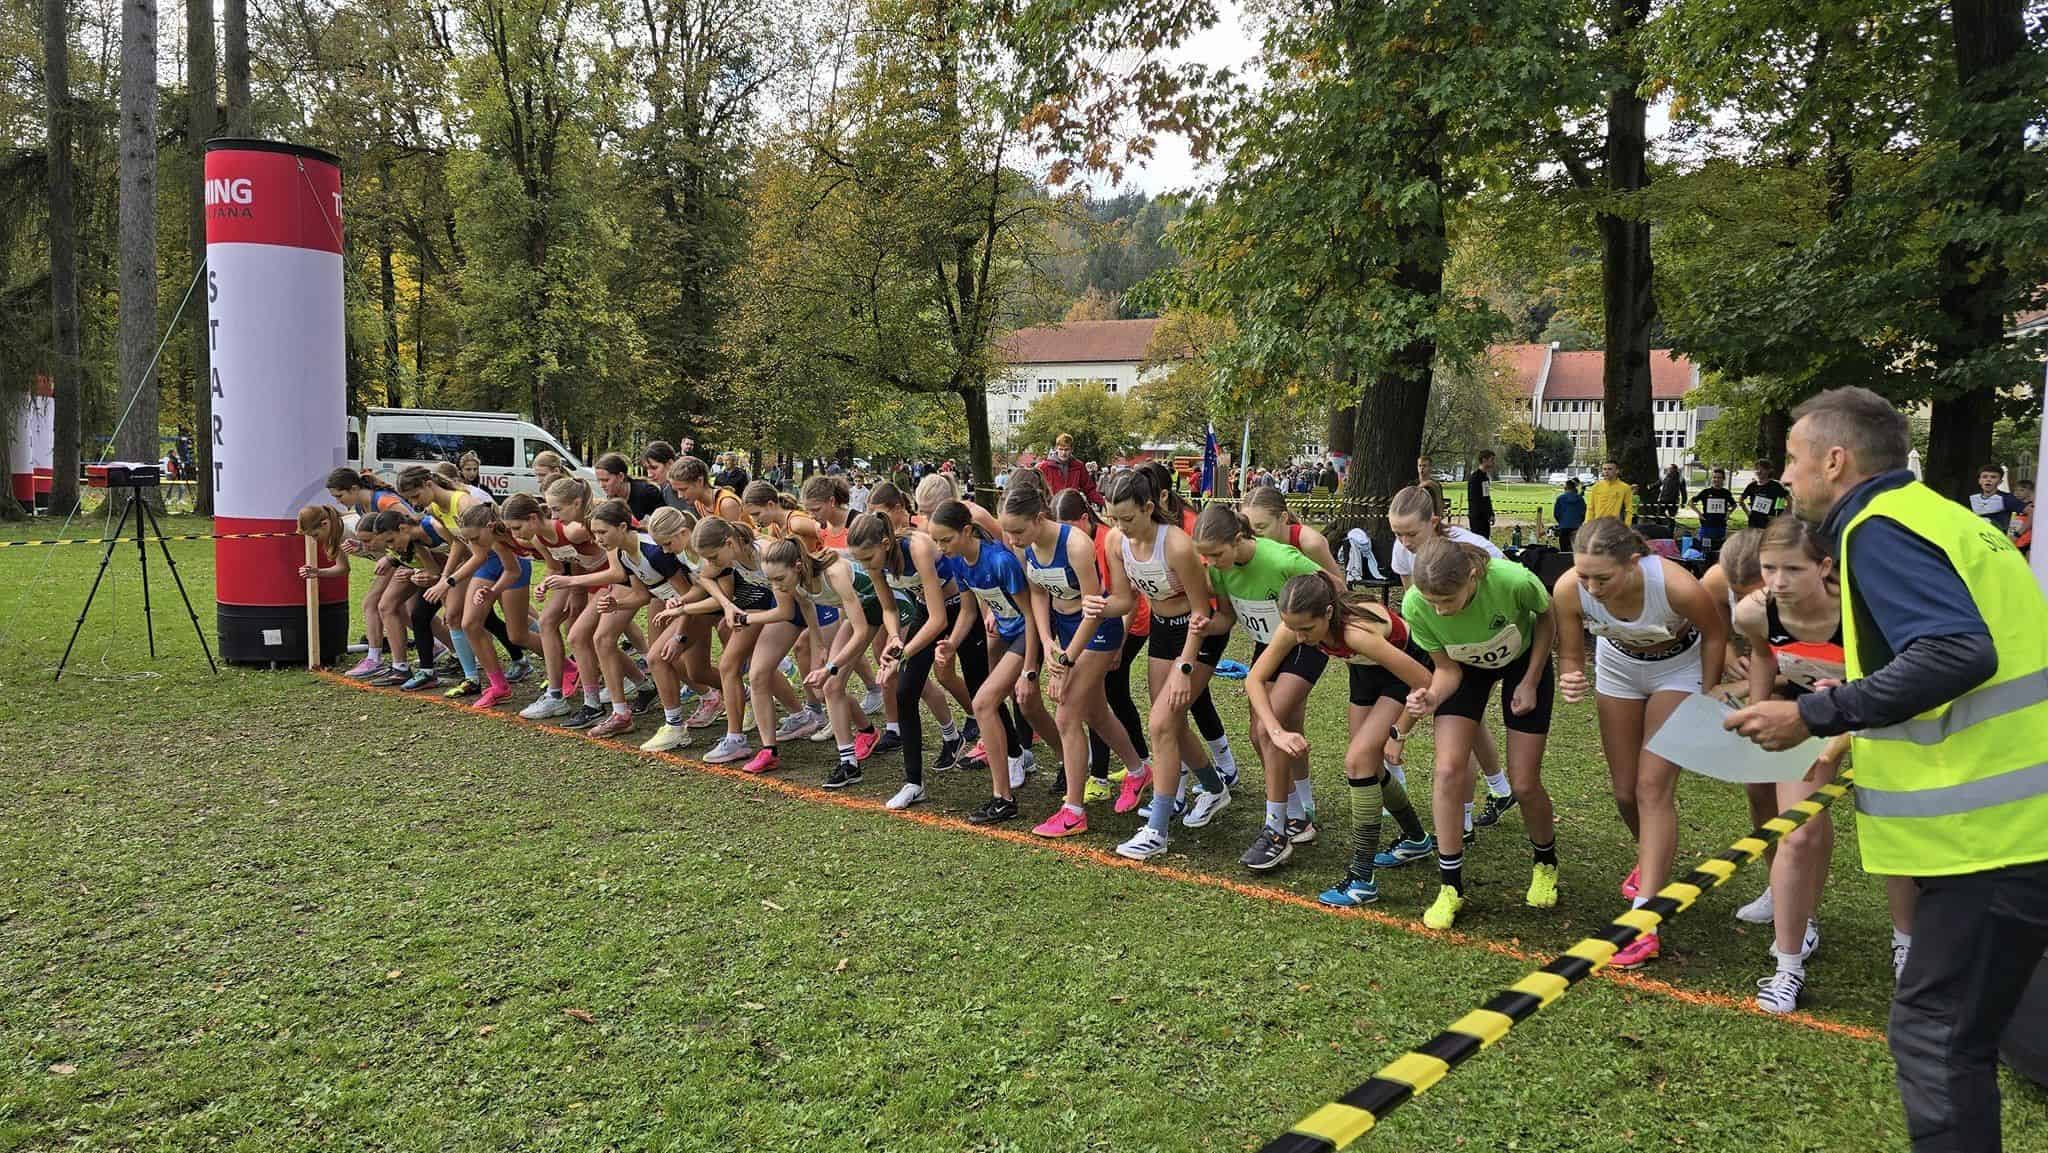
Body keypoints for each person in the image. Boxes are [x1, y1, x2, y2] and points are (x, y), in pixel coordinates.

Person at [1725, 385, 2048, 1153]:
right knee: (1973, 1026)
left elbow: (1957, 652)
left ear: (1835, 461)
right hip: (2014, 821)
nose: (1785, 475)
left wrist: (1817, 714)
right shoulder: (1942, 517)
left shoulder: (1878, 528)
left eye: (1794, 459)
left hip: (1992, 835)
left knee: (1936, 1035)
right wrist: (1853, 722)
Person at [1554, 517, 1725, 969]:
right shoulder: (1569, 589)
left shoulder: (1675, 586)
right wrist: (1571, 675)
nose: (1592, 588)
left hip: (1679, 671)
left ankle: (1644, 920)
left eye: (1603, 578)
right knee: (1625, 792)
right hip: (1619, 669)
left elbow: (1716, 634)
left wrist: (1708, 695)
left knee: (1652, 787)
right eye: (1584, 576)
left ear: (1634, 562)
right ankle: (1653, 864)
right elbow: (1570, 653)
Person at [1401, 535, 1561, 931]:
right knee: (1447, 771)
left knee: (1524, 783)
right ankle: (1450, 886)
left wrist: (1532, 679)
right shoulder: (1416, 604)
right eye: (1432, 602)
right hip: (1465, 670)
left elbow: (1547, 616)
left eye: (1447, 601)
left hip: (1523, 663)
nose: (1440, 610)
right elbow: (1447, 671)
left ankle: (1545, 862)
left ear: (1472, 577)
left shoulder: (1513, 580)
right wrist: (1431, 697)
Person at [1260, 574, 1435, 908]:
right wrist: (1276, 732)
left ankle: (1361, 879)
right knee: (1366, 766)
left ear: (1328, 613)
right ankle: (1416, 839)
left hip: (1405, 671)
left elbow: (1424, 681)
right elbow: (1255, 679)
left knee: (1357, 761)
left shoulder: (1357, 633)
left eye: (1306, 629)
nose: (1299, 637)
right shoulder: (1296, 626)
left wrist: (1399, 733)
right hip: (1365, 670)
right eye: (1292, 628)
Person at [1731, 516, 1847, 1012]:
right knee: (1798, 832)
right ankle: (1789, 963)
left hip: (1877, 714)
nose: (1777, 581)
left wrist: (1841, 738)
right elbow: (1762, 655)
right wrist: (1759, 711)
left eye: (1792, 569)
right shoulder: (1754, 611)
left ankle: (1905, 943)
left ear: (1824, 566)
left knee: (1893, 833)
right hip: (1807, 713)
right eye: (1769, 569)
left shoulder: (1860, 608)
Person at [1191, 505, 1334, 871]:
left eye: (1216, 554)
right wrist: (1205, 625)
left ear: (1238, 539)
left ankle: (1276, 831)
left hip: (1304, 645)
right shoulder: (1220, 570)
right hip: (1267, 648)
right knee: (1265, 734)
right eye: (1205, 557)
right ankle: (1299, 814)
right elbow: (1227, 617)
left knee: (1268, 731)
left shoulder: (1282, 559)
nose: (1210, 563)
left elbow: (1334, 587)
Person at [1000, 483, 1144, 836]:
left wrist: (1065, 661)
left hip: (1096, 629)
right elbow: (1038, 594)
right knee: (1095, 713)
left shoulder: (1076, 545)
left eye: (1018, 531)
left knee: (1066, 713)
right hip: (1064, 630)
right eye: (1008, 532)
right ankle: (1139, 772)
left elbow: (1094, 608)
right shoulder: (1027, 546)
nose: (1013, 540)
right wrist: (1047, 641)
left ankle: (1073, 810)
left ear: (1039, 518)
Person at [1036, 433, 1101, 505]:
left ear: (1072, 449)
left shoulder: (1078, 466)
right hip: (1051, 508)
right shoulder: (1043, 467)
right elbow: (1034, 490)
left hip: (1072, 507)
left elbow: (1089, 489)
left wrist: (1102, 503)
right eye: (1061, 449)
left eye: (1066, 449)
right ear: (1056, 449)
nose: (1063, 453)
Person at [596, 452, 664, 520]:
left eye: (606, 480)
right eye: (599, 480)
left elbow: (663, 522)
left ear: (621, 476)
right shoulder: (612, 497)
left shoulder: (647, 492)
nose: (601, 485)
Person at [1967, 464, 2026, 534]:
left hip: (1997, 538)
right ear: (1979, 481)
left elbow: (2031, 513)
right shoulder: (1972, 498)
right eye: (1985, 477)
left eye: (1993, 477)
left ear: (2000, 482)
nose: (1988, 480)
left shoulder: (2007, 498)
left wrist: (2017, 534)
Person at [1691, 467, 1734, 550]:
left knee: (1719, 549)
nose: (1716, 479)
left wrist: (1728, 514)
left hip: (1721, 526)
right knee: (1705, 549)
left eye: (1719, 477)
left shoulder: (1726, 493)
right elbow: (1690, 503)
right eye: (1714, 477)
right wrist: (1699, 514)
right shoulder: (1705, 492)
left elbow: (1734, 505)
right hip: (1707, 526)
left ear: (1723, 479)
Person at [1739, 458, 1788, 529]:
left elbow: (1790, 501)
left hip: (1769, 524)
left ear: (1769, 470)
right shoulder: (1752, 485)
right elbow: (1741, 500)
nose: (1759, 471)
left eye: (1762, 469)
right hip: (1753, 523)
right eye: (1757, 469)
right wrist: (1748, 513)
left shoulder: (1776, 486)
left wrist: (1781, 516)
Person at [1467, 450, 1496, 541]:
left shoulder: (1485, 477)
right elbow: (1474, 500)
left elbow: (1486, 497)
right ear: (1484, 460)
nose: (1493, 462)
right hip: (1477, 518)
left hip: (1485, 518)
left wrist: (1491, 514)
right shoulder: (1475, 478)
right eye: (1491, 460)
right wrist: (1480, 515)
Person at [1552, 478, 1586, 552]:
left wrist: (1561, 522)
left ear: (1565, 488)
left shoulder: (1560, 498)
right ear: (1574, 488)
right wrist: (1579, 522)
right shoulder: (1580, 499)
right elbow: (1583, 513)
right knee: (1576, 550)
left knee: (1564, 550)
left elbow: (1556, 513)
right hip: (1576, 526)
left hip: (1564, 526)